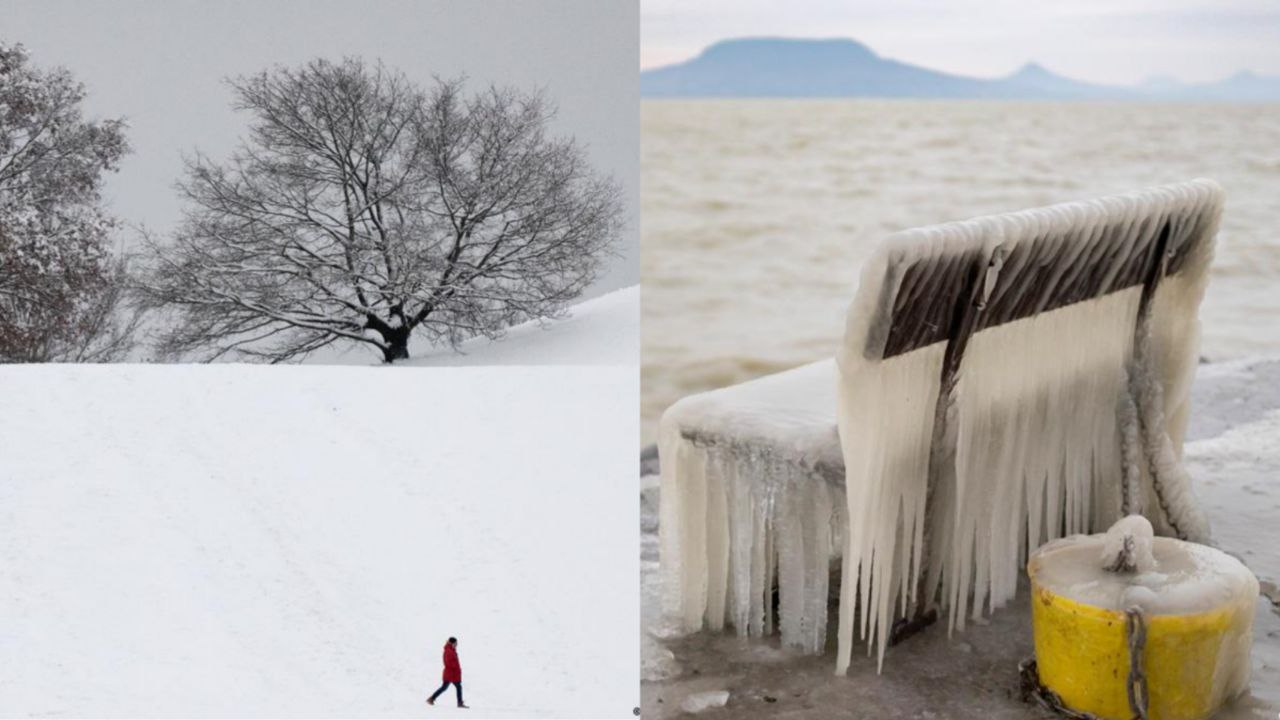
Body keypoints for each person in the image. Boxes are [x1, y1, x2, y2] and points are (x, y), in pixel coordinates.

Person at [426, 637, 467, 708]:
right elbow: (448, 662)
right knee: (450, 687)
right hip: (450, 673)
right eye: (456, 643)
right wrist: (455, 666)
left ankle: (431, 699)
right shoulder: (449, 651)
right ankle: (459, 703)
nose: (457, 645)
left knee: (450, 687)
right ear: (452, 643)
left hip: (452, 673)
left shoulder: (451, 650)